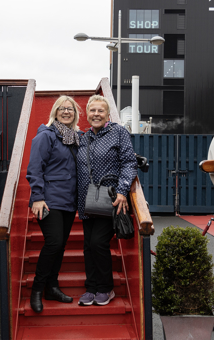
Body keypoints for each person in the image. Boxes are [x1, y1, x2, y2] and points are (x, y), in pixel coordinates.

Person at [77, 95, 138, 306]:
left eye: (100, 111)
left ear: (107, 114)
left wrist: (123, 191)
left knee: (98, 243)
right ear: (87, 114)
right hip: (87, 199)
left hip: (111, 199)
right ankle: (91, 288)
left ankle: (105, 288)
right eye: (92, 111)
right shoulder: (82, 137)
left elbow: (129, 162)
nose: (96, 114)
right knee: (87, 246)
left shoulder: (118, 132)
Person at [26, 95, 81, 313]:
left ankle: (52, 286)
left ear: (75, 114)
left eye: (70, 109)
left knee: (60, 246)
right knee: (54, 243)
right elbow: (35, 168)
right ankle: (37, 289)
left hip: (69, 200)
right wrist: (37, 196)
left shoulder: (77, 137)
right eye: (62, 108)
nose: (66, 111)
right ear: (55, 112)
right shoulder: (46, 136)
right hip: (48, 200)